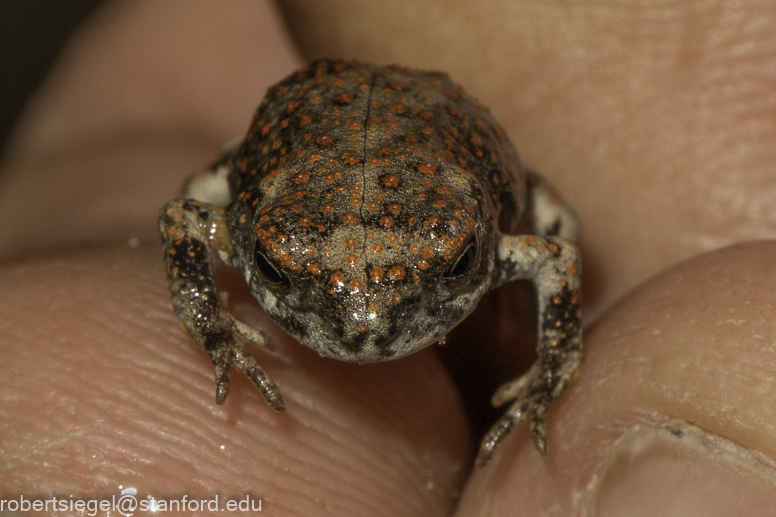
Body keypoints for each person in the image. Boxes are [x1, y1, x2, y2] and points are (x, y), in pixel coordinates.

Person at [1, 1, 774, 515]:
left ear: (471, 242)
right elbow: (183, 218)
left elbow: (557, 258)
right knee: (201, 182)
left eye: (449, 268)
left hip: (434, 152)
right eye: (278, 270)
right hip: (312, 160)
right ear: (262, 239)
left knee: (560, 217)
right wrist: (212, 326)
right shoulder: (247, 218)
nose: (367, 320)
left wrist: (553, 367)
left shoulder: (479, 232)